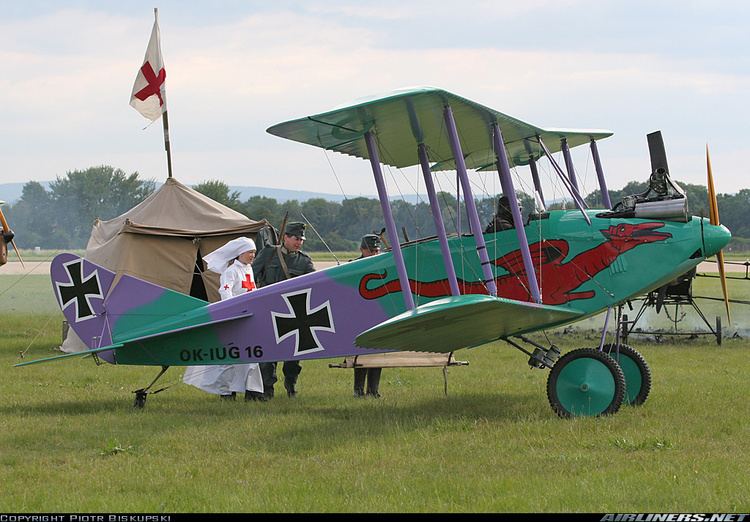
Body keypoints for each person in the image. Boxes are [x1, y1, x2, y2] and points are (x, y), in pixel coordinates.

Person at [183, 237, 265, 401]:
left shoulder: (249, 269)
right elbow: (226, 293)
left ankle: (252, 391)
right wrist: (234, 311)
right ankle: (226, 392)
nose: (252, 255)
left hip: (248, 318)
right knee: (230, 359)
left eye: (254, 252)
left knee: (251, 356)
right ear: (239, 253)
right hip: (235, 319)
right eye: (250, 252)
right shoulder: (231, 272)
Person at [252, 222, 315, 399]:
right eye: (296, 238)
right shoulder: (269, 253)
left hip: (293, 313)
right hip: (268, 311)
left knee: (293, 354)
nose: (299, 242)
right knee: (268, 353)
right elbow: (252, 275)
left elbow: (315, 285)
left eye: (302, 239)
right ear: (286, 237)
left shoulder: (304, 261)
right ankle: (267, 390)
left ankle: (291, 383)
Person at [352, 233, 383, 398]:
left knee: (378, 354)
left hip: (378, 315)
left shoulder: (383, 266)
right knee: (361, 355)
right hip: (360, 317)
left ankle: (373, 390)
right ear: (362, 249)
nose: (374, 254)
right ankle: (358, 390)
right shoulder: (353, 267)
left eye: (377, 251)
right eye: (371, 251)